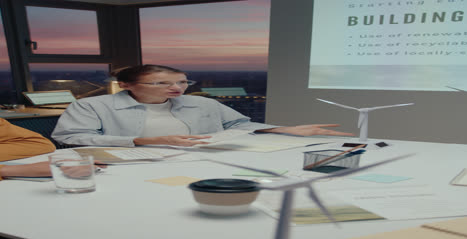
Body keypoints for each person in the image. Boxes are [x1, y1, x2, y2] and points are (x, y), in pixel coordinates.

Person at [52, 65, 353, 147]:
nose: (177, 89)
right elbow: (69, 138)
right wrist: (142, 141)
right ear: (127, 85)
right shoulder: (93, 106)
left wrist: (283, 129)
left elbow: (236, 126)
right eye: (162, 83)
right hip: (129, 166)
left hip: (199, 159)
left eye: (183, 82)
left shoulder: (197, 102)